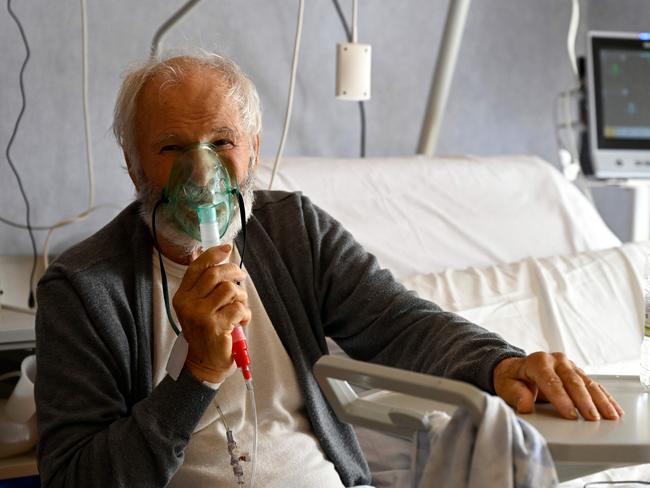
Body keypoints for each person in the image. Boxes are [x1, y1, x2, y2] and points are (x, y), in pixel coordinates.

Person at [34, 51, 623, 488]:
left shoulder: (294, 232)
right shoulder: (83, 289)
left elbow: (401, 324)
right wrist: (197, 374)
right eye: (171, 148)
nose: (202, 172)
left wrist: (500, 363)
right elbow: (73, 480)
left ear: (255, 152)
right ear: (135, 168)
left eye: (221, 141)